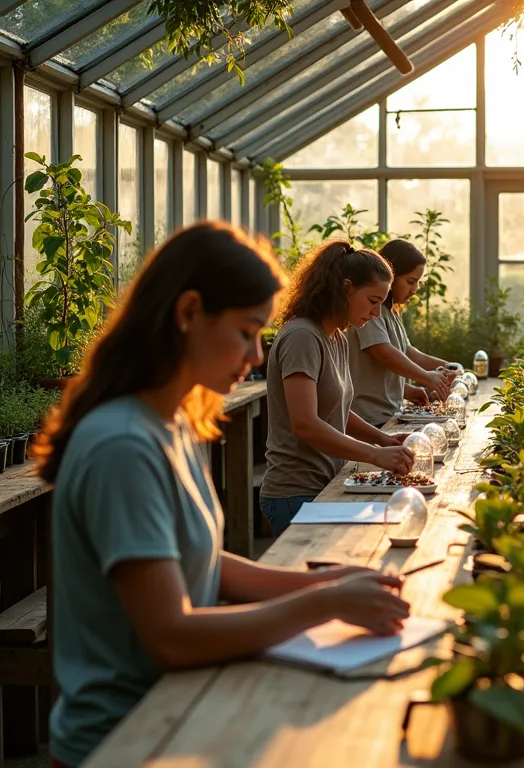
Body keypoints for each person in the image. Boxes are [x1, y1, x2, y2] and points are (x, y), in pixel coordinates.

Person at [38, 223, 410, 768]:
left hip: (180, 711)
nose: (258, 355)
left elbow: (207, 564)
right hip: (127, 739)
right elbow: (171, 635)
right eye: (245, 332)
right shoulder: (122, 444)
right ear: (188, 313)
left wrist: (330, 579)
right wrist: (323, 602)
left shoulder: (172, 425)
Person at [260, 241, 415, 535]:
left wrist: (384, 441)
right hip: (295, 494)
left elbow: (338, 412)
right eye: (372, 301)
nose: (376, 314)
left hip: (326, 484)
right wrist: (373, 454)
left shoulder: (337, 337)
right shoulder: (302, 336)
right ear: (345, 288)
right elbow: (305, 424)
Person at [347, 239, 458, 427]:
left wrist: (447, 367)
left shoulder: (392, 311)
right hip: (369, 418)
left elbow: (406, 351)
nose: (414, 290)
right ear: (392, 276)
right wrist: (428, 378)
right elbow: (384, 354)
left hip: (389, 413)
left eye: (417, 283)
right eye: (410, 281)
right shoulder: (371, 310)